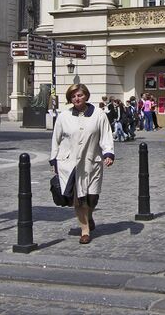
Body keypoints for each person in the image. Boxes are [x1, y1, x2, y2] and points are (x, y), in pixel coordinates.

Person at [50, 83, 114, 244]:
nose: (76, 98)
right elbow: (56, 139)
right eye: (73, 96)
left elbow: (106, 136)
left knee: (92, 197)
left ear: (86, 96)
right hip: (69, 164)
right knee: (78, 199)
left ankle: (89, 216)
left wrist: (108, 153)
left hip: (92, 162)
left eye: (79, 95)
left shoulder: (99, 114)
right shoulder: (64, 116)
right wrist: (54, 160)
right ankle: (84, 231)